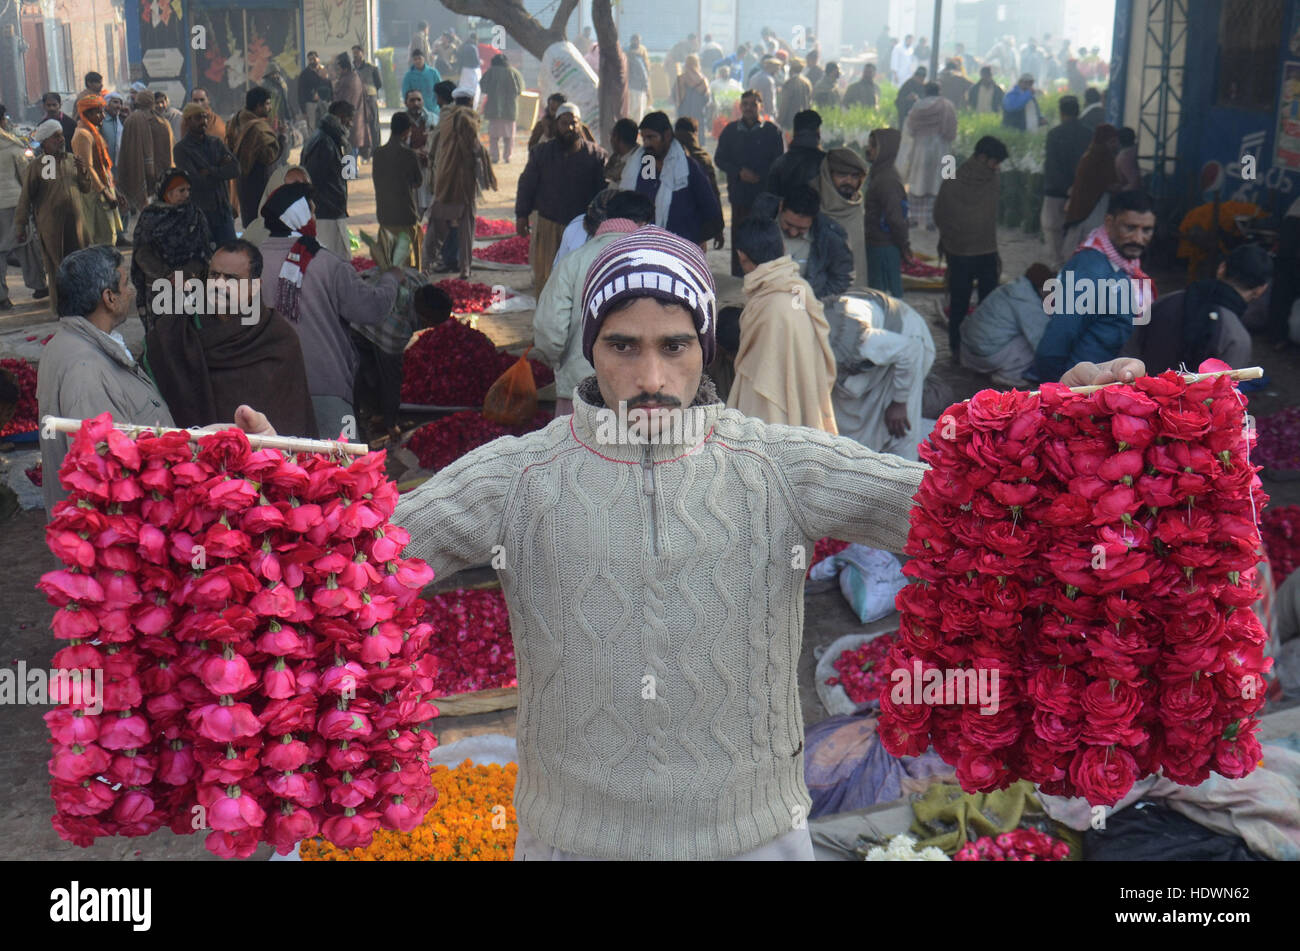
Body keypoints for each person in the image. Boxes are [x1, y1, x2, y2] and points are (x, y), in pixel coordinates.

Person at [36, 245, 278, 513]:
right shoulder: (85, 371)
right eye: (126, 283)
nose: (132, 291)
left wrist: (199, 439)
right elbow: (104, 473)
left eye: (231, 279)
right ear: (109, 298)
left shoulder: (67, 346)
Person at [258, 182, 403, 439]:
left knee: (282, 468)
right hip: (325, 385)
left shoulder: (253, 261)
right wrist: (391, 278)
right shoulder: (327, 263)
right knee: (342, 466)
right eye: (311, 212)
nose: (314, 218)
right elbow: (371, 310)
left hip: (268, 385)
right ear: (301, 217)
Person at [143, 238, 317, 436]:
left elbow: (290, 417)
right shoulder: (177, 330)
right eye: (214, 275)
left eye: (231, 278)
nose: (218, 284)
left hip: (261, 460)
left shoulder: (278, 338)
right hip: (190, 457)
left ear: (255, 286)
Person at [534, 190, 655, 417]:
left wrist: (556, 360)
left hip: (579, 386)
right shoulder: (653, 261)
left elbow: (550, 328)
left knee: (577, 449)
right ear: (643, 223)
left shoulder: (573, 262)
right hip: (639, 385)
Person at [1033, 190, 1157, 382]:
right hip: (1083, 387)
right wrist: (1058, 392)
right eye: (1130, 228)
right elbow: (1058, 339)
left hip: (1109, 380)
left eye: (1146, 230)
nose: (1138, 238)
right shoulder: (1090, 270)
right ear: (1109, 222)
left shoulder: (1126, 265)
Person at [728, 216, 837, 432]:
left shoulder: (771, 305)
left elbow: (763, 376)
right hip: (806, 399)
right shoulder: (797, 288)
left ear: (742, 257)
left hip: (771, 411)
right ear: (783, 247)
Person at [825, 289, 936, 460]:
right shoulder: (810, 338)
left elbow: (910, 351)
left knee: (900, 428)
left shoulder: (858, 340)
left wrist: (899, 402)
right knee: (850, 426)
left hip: (906, 343)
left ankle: (903, 480)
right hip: (869, 359)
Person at [1123, 243, 1270, 373]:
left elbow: (1129, 352)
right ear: (1261, 289)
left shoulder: (1166, 301)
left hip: (1135, 397)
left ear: (1222, 268)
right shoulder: (1236, 338)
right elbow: (1224, 398)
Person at [517, 104, 607, 292]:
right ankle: (547, 320)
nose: (569, 128)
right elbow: (527, 185)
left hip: (582, 227)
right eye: (564, 123)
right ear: (557, 125)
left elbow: (603, 193)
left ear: (580, 125)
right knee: (546, 276)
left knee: (578, 279)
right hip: (549, 224)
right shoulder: (541, 153)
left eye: (573, 123)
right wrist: (522, 215)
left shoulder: (595, 155)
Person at [934, 135, 1008, 358]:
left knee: (960, 303)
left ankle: (959, 348)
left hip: (960, 252)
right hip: (981, 253)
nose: (996, 168)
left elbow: (939, 215)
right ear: (983, 157)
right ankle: (976, 349)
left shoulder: (952, 180)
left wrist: (951, 238)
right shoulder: (992, 181)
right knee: (982, 305)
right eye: (995, 162)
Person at [352, 276, 452, 441]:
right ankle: (361, 427)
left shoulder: (417, 281)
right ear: (425, 320)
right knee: (361, 372)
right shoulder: (397, 329)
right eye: (432, 325)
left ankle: (376, 413)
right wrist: (391, 422)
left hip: (369, 301)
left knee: (373, 372)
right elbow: (392, 378)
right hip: (354, 321)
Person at [13, 122, 93, 314]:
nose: (60, 140)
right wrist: (20, 225)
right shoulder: (37, 166)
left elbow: (85, 188)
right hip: (51, 226)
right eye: (55, 137)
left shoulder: (72, 160)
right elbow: (25, 197)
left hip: (76, 224)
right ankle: (61, 310)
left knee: (79, 265)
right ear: (45, 141)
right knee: (57, 268)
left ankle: (80, 306)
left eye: (61, 135)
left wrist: (83, 171)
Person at [619, 112, 723, 252]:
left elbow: (710, 210)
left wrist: (697, 239)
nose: (647, 144)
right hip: (645, 248)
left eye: (651, 137)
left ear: (667, 135)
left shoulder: (687, 169)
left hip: (682, 250)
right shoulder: (644, 166)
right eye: (644, 139)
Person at [129, 168, 212, 332]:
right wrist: (166, 274)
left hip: (189, 283)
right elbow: (142, 252)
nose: (186, 195)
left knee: (189, 329)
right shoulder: (150, 216)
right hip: (158, 284)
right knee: (162, 331)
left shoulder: (194, 214)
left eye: (188, 190)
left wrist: (186, 272)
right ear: (167, 191)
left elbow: (204, 250)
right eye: (181, 190)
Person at [714, 90, 785, 277]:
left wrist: (761, 175)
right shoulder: (730, 131)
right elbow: (720, 159)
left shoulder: (772, 131)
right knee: (740, 239)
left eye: (753, 104)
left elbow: (779, 163)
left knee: (764, 241)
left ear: (761, 106)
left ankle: (765, 279)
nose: (748, 108)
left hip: (764, 199)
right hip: (740, 197)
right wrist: (738, 172)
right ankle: (739, 280)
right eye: (744, 104)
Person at [959, 263, 1057, 386]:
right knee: (1041, 341)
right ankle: (1008, 376)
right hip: (985, 355)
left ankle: (994, 367)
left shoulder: (1011, 288)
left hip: (968, 351)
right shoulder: (1026, 301)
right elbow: (1042, 342)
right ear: (1042, 288)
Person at [753, 186, 853, 301]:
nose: (793, 232)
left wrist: (812, 301)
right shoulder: (761, 220)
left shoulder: (832, 237)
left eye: (801, 228)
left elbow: (842, 279)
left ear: (814, 219)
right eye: (788, 224)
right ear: (781, 207)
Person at [171, 102, 238, 246]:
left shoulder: (216, 143)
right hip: (200, 211)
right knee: (202, 258)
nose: (204, 122)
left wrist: (210, 171)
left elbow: (235, 169)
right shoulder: (181, 149)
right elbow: (195, 180)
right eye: (198, 118)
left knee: (230, 252)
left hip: (222, 209)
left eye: (205, 117)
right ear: (188, 121)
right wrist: (220, 168)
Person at [0, 109, 48, 309]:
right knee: (26, 244)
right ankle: (38, 285)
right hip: (13, 202)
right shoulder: (11, 145)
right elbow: (25, 177)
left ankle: (2, 298)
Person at [1041, 95, 1094, 269]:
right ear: (1078, 112)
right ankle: (1072, 268)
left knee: (1053, 230)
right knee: (1076, 232)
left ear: (1061, 112)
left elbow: (1051, 165)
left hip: (1056, 193)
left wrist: (1063, 188)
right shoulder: (1089, 134)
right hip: (1081, 194)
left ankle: (1058, 267)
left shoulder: (1054, 134)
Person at [372, 113, 426, 271]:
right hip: (405, 215)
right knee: (408, 265)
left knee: (389, 264)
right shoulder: (409, 154)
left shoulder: (378, 153)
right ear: (407, 131)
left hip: (384, 215)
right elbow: (418, 182)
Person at [300, 100, 355, 258]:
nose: (351, 124)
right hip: (326, 212)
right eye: (350, 119)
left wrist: (348, 149)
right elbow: (313, 179)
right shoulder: (324, 142)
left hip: (331, 209)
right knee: (331, 259)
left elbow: (348, 173)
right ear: (341, 117)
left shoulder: (332, 139)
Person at [900, 83, 957, 231]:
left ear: (925, 92)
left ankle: (913, 218)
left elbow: (910, 129)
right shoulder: (947, 105)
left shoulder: (917, 107)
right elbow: (951, 131)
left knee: (918, 182)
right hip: (942, 148)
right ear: (939, 91)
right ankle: (933, 220)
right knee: (939, 183)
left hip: (920, 148)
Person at [71, 95, 125, 247]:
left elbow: (102, 167)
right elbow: (87, 167)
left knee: (110, 235)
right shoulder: (83, 134)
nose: (103, 116)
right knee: (104, 238)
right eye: (98, 113)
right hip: (96, 194)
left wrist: (114, 190)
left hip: (104, 188)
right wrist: (105, 192)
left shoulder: (92, 131)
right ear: (86, 114)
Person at [1061, 124, 1122, 258]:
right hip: (1094, 207)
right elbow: (1109, 183)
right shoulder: (1103, 157)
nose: (1115, 145)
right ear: (1105, 141)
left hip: (1083, 206)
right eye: (1112, 141)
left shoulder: (1088, 155)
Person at [863, 127, 911, 297]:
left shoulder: (887, 180)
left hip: (884, 247)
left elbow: (895, 219)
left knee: (884, 297)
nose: (868, 150)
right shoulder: (881, 173)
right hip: (878, 244)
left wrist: (904, 245)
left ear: (886, 150)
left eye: (873, 146)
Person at [227, 87, 281, 229]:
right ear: (258, 106)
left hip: (244, 183)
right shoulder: (257, 129)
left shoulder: (236, 120)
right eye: (267, 104)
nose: (269, 108)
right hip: (260, 183)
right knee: (263, 228)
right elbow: (269, 156)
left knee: (251, 227)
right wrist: (282, 138)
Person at [816, 147, 869, 290]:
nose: (849, 181)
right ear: (828, 174)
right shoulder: (813, 203)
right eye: (842, 175)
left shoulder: (857, 205)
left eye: (854, 176)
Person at [117, 88, 174, 216]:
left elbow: (127, 151)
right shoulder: (163, 122)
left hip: (138, 171)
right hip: (161, 175)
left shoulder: (131, 120)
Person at [672, 117, 725, 249]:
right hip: (697, 228)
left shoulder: (663, 157)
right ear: (695, 132)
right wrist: (718, 229)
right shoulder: (702, 157)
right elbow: (713, 194)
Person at [238, 164, 310, 247]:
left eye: (306, 185)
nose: (301, 192)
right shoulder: (256, 232)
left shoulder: (317, 227)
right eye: (294, 187)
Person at [765, 109, 825, 199]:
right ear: (818, 132)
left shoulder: (780, 163)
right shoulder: (826, 162)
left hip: (787, 212)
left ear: (794, 132)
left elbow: (771, 199)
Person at [480, 53, 524, 164]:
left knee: (494, 136)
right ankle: (507, 156)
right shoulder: (513, 72)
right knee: (509, 136)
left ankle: (495, 157)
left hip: (494, 109)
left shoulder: (490, 72)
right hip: (510, 109)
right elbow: (520, 89)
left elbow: (483, 87)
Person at [403, 89, 436, 212]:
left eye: (418, 100)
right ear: (406, 103)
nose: (416, 103)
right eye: (412, 100)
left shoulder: (433, 119)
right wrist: (413, 152)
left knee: (430, 203)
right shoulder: (401, 120)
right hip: (409, 169)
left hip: (429, 167)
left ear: (423, 102)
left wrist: (428, 150)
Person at [333, 54, 368, 160]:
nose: (337, 71)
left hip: (350, 118)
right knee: (351, 146)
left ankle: (350, 172)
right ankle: (351, 171)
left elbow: (345, 101)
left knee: (350, 146)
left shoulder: (350, 80)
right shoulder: (351, 77)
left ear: (345, 68)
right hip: (352, 118)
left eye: (339, 69)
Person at [352, 46, 383, 160]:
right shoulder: (352, 69)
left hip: (370, 98)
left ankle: (376, 150)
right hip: (357, 101)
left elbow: (378, 84)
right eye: (354, 53)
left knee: (373, 123)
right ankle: (363, 151)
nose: (355, 55)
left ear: (362, 53)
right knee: (360, 125)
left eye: (357, 52)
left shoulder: (372, 68)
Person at [675, 54, 713, 135]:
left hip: (683, 113)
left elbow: (675, 96)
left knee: (683, 137)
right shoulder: (703, 80)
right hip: (698, 114)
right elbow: (707, 98)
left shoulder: (681, 79)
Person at [298, 51, 333, 133]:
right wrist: (303, 110)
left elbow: (330, 86)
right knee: (312, 128)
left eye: (314, 58)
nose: (312, 61)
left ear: (318, 59)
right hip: (311, 104)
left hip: (325, 103)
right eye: (310, 59)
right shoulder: (304, 74)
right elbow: (301, 92)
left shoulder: (325, 71)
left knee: (326, 126)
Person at [402, 48, 443, 115]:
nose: (417, 61)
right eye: (415, 59)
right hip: (415, 110)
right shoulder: (409, 76)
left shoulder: (433, 73)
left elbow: (440, 89)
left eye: (419, 58)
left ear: (424, 59)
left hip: (433, 110)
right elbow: (405, 93)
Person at [778, 59, 814, 130]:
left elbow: (785, 104)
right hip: (804, 120)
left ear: (791, 69)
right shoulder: (807, 82)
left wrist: (779, 121)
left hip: (790, 122)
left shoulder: (789, 83)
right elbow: (810, 101)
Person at [605, 117, 640, 187]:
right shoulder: (616, 157)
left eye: (612, 135)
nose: (610, 140)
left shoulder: (637, 161)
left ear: (616, 137)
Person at [751, 58, 783, 128]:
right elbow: (770, 101)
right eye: (777, 69)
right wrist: (774, 115)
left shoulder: (754, 77)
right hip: (765, 114)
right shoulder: (769, 80)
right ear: (772, 68)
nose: (777, 72)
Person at [626, 35, 652, 120]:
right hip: (637, 89)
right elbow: (644, 75)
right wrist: (647, 88)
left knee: (630, 111)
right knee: (638, 112)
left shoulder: (625, 58)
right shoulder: (638, 60)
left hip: (629, 88)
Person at [101, 93, 126, 164]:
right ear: (106, 103)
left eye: (120, 103)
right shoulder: (100, 121)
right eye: (115, 102)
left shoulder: (120, 121)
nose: (119, 106)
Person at [1115, 127, 1140, 192]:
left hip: (1128, 196)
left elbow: (1134, 184)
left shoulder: (1125, 156)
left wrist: (1119, 192)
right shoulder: (1136, 149)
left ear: (1118, 140)